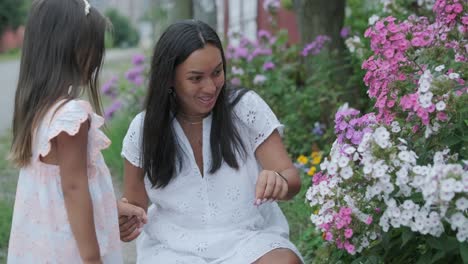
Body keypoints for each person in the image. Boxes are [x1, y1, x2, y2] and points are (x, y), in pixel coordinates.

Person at [119, 20, 304, 263]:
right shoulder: (144, 129)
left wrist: (279, 180)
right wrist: (123, 220)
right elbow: (134, 212)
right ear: (170, 79)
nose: (211, 87)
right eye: (196, 78)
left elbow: (291, 177)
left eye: (217, 72)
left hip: (249, 239)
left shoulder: (245, 108)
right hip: (173, 250)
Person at [7, 0, 146, 263]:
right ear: (71, 48)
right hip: (72, 251)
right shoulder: (72, 116)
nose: (98, 57)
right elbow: (73, 188)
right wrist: (92, 258)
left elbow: (57, 193)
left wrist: (109, 209)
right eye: (94, 45)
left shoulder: (39, 112)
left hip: (42, 247)